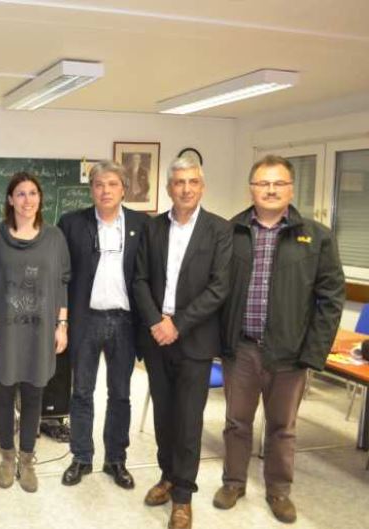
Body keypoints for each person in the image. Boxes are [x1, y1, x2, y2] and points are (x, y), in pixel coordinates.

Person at [213, 155, 345, 523]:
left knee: (282, 428)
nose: (270, 190)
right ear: (251, 189)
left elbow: (331, 299)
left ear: (291, 188)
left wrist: (313, 354)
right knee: (236, 422)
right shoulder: (230, 232)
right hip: (241, 349)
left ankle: (279, 490)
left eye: (278, 183)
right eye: (263, 183)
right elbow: (215, 290)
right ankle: (233, 482)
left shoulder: (317, 237)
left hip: (290, 354)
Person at [133, 157, 232, 529]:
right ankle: (168, 476)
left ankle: (184, 497)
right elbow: (139, 279)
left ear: (201, 186)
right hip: (158, 337)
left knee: (189, 421)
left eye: (192, 182)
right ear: (168, 188)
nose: (186, 188)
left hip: (195, 338)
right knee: (164, 416)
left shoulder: (219, 230)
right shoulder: (153, 227)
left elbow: (219, 288)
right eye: (178, 182)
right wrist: (157, 322)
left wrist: (177, 324)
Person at [0, 172, 71, 493]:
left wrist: (62, 325)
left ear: (40, 198)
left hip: (40, 332)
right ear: (10, 199)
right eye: (20, 193)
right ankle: (7, 458)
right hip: (3, 330)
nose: (27, 200)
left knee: (34, 395)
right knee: (4, 394)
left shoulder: (55, 237)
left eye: (33, 193)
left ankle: (27, 460)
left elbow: (62, 283)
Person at [58, 160, 149, 488]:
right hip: (86, 320)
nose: (105, 190)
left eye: (112, 184)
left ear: (124, 189)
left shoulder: (142, 224)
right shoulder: (71, 223)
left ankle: (116, 460)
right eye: (99, 184)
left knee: (121, 394)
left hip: (125, 321)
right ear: (91, 189)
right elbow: (61, 277)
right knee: (82, 392)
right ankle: (81, 457)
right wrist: (62, 321)